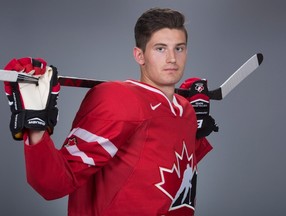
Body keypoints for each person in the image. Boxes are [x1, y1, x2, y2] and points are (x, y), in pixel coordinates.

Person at [3, 8, 218, 216]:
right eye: (160, 48)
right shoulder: (119, 100)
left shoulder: (185, 109)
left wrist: (196, 132)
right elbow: (55, 183)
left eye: (179, 48)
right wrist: (34, 124)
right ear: (139, 55)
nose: (172, 58)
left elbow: (159, 171)